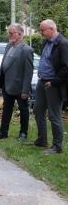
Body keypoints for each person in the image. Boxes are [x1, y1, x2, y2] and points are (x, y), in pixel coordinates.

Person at [0, 24, 33, 141]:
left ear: (20, 34)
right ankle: (3, 132)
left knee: (23, 110)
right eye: (9, 33)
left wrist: (25, 90)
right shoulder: (9, 46)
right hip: (7, 85)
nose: (9, 35)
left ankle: (23, 133)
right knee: (6, 109)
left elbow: (28, 72)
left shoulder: (26, 50)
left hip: (20, 87)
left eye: (11, 33)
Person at [34, 19, 68, 154]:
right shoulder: (46, 42)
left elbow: (66, 68)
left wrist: (53, 82)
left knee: (54, 115)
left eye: (43, 30)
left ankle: (57, 146)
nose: (41, 33)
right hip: (42, 81)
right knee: (37, 110)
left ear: (52, 29)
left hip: (53, 84)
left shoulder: (63, 44)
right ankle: (42, 140)